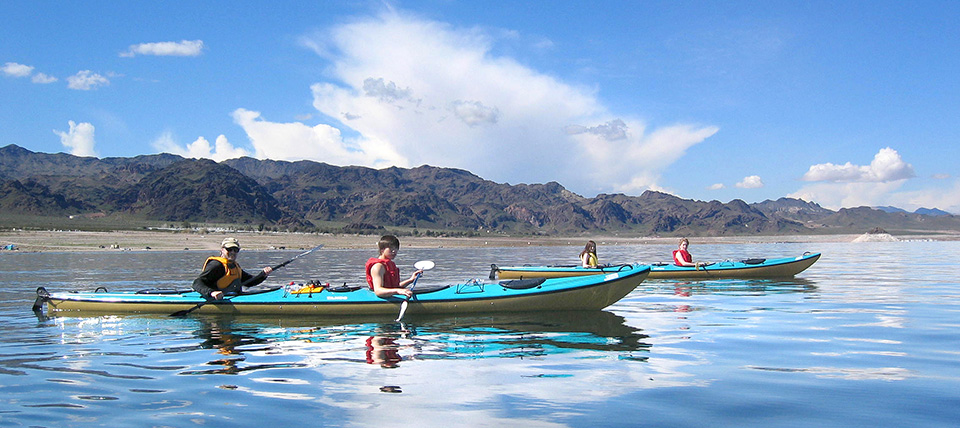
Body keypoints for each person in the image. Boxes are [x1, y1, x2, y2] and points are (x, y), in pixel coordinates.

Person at [192, 237, 274, 300]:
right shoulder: (216, 265)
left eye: (235, 250)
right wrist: (212, 293)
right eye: (229, 249)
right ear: (222, 250)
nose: (233, 252)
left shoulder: (234, 266)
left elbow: (249, 282)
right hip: (215, 299)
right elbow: (197, 283)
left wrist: (263, 274)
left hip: (232, 296)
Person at [365, 235, 423, 299]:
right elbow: (378, 291)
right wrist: (398, 291)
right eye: (391, 249)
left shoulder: (389, 264)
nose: (394, 251)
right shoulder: (378, 267)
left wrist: (410, 280)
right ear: (382, 250)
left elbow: (395, 286)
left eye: (396, 249)